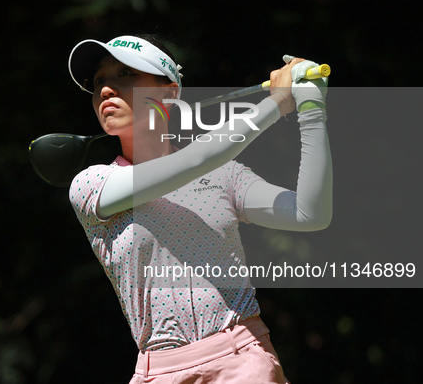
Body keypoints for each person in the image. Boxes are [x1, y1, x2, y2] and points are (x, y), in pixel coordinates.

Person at [67, 33, 332, 383]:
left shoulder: (224, 175)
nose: (105, 90)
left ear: (169, 93)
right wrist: (278, 102)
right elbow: (199, 157)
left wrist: (311, 109)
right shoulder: (91, 185)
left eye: (124, 75)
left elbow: (308, 213)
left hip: (242, 361)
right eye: (100, 81)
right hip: (156, 372)